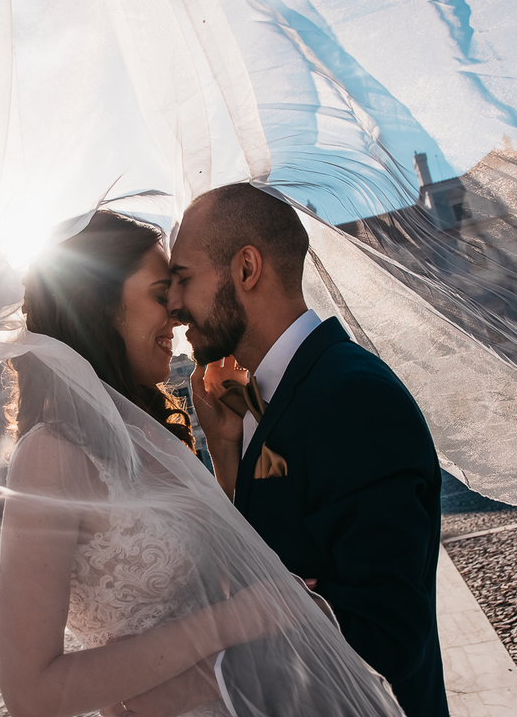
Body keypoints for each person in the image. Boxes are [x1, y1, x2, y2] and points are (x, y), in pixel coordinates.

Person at [0, 210, 403, 717]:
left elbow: (218, 567)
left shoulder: (147, 432)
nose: (176, 312)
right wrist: (235, 622)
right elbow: (30, 694)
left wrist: (224, 451)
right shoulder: (50, 453)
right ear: (97, 304)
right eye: (159, 292)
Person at [167, 183, 447, 717]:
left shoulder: (352, 398)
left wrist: (257, 624)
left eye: (183, 279)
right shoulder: (259, 402)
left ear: (246, 268)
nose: (174, 306)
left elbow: (388, 638)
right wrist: (228, 460)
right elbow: (277, 553)